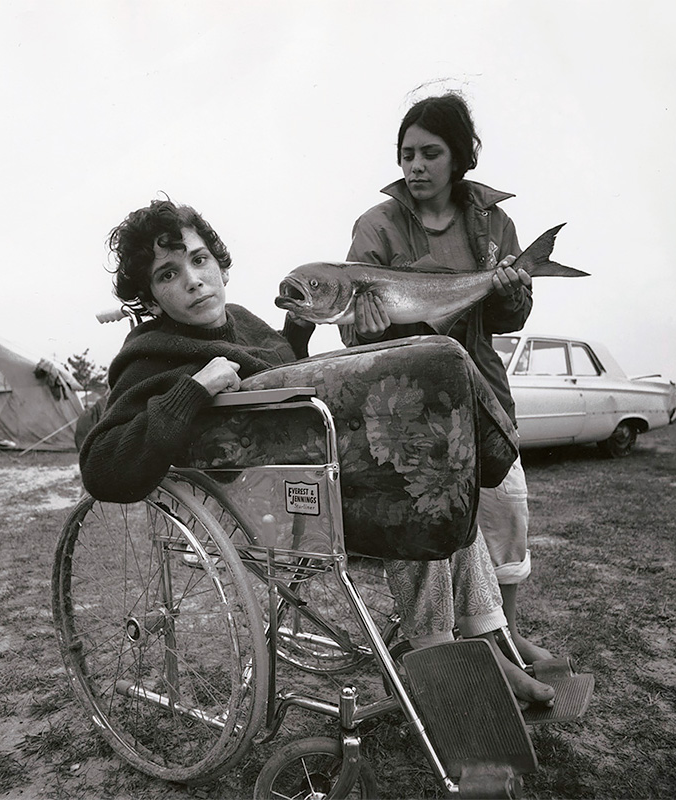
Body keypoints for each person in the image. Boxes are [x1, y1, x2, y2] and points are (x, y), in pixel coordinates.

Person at [80, 197, 553, 707]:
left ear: (220, 266)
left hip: (309, 486)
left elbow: (285, 394)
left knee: (434, 476)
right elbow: (103, 466)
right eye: (168, 274)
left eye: (199, 260)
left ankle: (486, 634)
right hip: (259, 511)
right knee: (411, 490)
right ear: (150, 298)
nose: (193, 279)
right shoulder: (149, 356)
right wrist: (193, 389)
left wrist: (299, 332)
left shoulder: (243, 323)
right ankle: (448, 656)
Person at [340, 91, 555, 675]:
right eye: (406, 153)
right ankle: (464, 653)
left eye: (430, 153)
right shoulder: (375, 225)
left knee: (506, 510)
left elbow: (508, 319)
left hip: (480, 388)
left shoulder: (495, 224)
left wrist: (512, 294)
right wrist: (363, 330)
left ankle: (505, 638)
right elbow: (355, 338)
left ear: (459, 157)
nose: (415, 166)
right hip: (406, 405)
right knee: (439, 531)